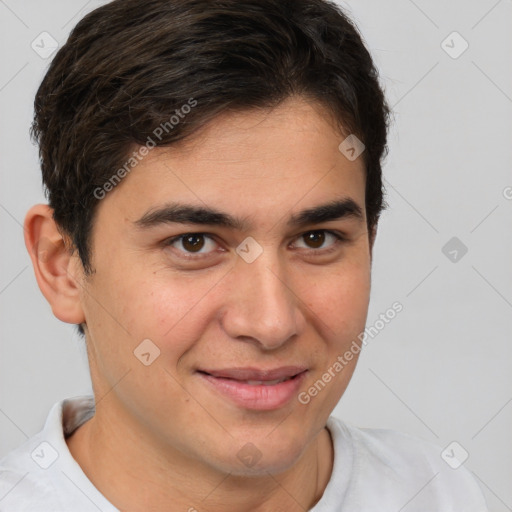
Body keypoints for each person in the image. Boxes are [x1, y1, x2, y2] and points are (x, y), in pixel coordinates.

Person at [0, 0, 489, 510]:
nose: (271, 322)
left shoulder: (440, 493)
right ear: (62, 267)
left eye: (317, 238)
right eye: (194, 242)